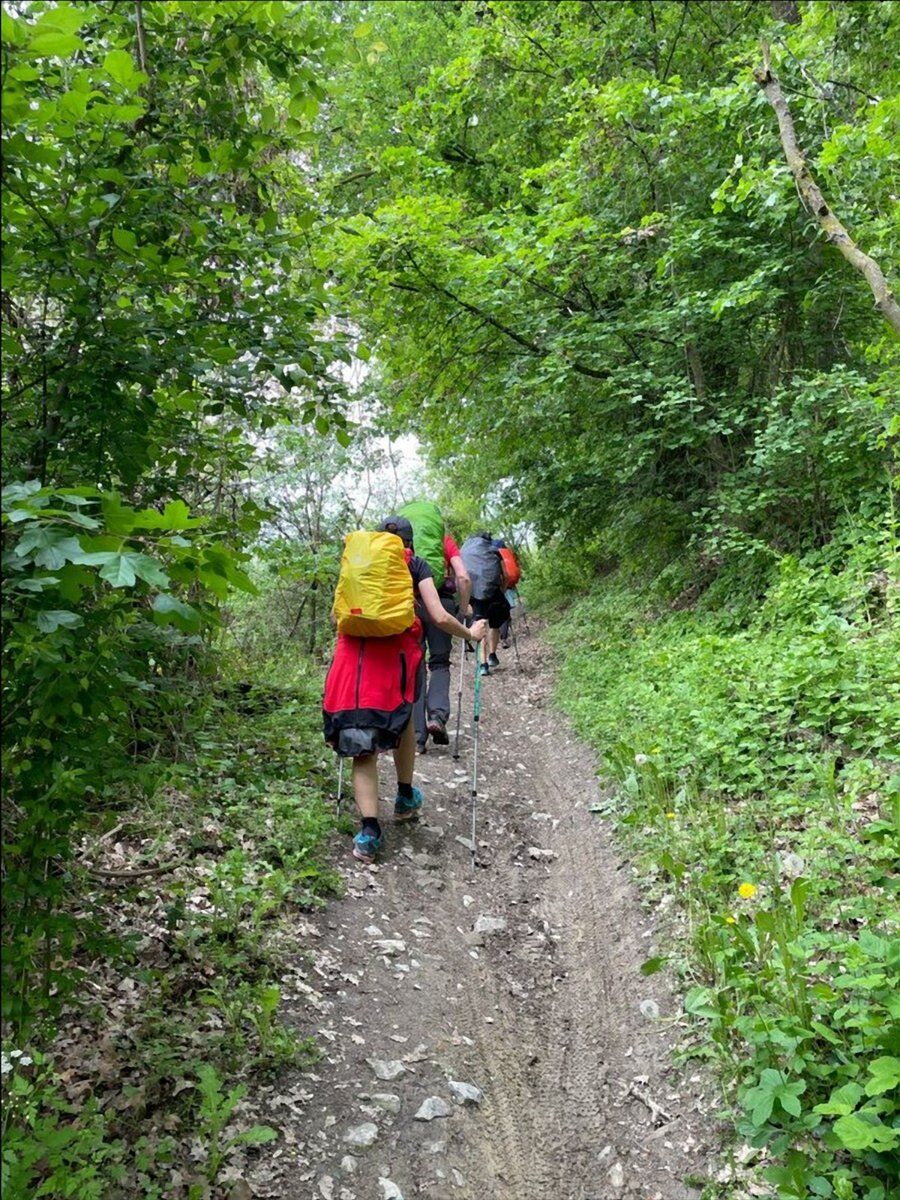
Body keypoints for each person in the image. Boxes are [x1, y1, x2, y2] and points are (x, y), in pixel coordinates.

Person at [323, 515, 487, 864]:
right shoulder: (414, 563)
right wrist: (470, 634)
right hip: (395, 660)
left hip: (351, 661)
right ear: (410, 542)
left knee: (360, 743)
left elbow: (337, 617)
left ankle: (369, 832)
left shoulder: (358, 561)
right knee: (403, 720)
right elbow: (439, 617)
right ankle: (404, 796)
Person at [414, 529, 472, 752]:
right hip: (442, 603)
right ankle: (436, 717)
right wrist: (464, 607)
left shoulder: (404, 544)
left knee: (415, 666)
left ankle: (417, 738)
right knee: (439, 662)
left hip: (412, 607)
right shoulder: (444, 541)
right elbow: (463, 577)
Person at [460, 530, 511, 677]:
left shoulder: (465, 552)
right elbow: (506, 575)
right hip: (493, 591)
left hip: (475, 595)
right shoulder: (494, 550)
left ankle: (483, 665)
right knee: (494, 625)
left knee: (480, 624)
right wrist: (502, 589)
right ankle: (492, 655)